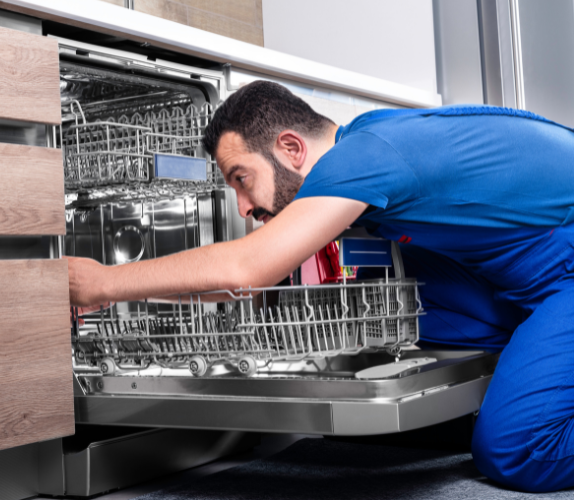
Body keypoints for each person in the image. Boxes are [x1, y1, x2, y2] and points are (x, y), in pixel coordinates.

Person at [66, 80, 574, 493]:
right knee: (408, 290)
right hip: (532, 269)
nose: (242, 207)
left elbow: (247, 269)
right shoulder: (366, 141)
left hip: (562, 267)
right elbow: (247, 279)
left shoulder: (366, 157)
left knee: (515, 449)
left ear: (290, 147)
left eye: (241, 178)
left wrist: (103, 283)